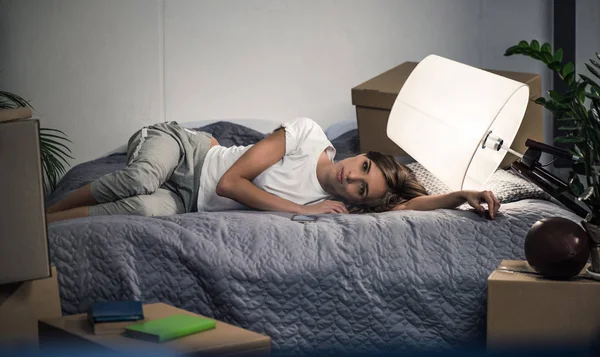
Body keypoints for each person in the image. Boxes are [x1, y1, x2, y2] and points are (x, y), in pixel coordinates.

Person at [46, 118, 501, 223]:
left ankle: (43, 231)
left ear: (357, 202)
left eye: (362, 189)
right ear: (359, 154)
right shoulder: (307, 133)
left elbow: (408, 204)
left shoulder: (332, 207)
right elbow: (229, 184)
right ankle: (43, 214)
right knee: (140, 178)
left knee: (139, 212)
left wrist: (459, 195)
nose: (353, 177)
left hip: (186, 201)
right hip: (188, 151)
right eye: (362, 165)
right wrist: (302, 211)